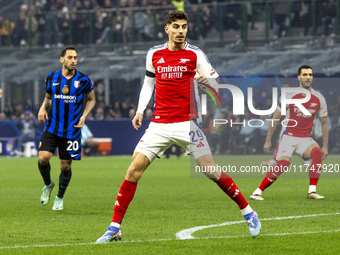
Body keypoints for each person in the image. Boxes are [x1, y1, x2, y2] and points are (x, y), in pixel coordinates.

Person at [96, 10, 261, 243]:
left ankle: (249, 212)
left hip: (187, 124)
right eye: (176, 26)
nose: (181, 31)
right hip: (159, 125)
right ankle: (114, 227)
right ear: (167, 29)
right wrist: (140, 110)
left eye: (184, 26)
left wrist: (208, 83)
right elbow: (148, 84)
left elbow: (217, 81)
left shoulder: (195, 54)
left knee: (211, 171)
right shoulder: (154, 53)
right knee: (133, 171)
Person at [250, 65, 328, 201]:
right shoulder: (290, 95)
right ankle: (257, 192)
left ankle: (312, 191)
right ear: (299, 77)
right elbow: (275, 117)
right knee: (283, 165)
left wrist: (325, 145)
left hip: (305, 139)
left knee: (317, 153)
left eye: (310, 75)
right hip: (289, 136)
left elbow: (324, 123)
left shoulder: (319, 98)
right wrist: (268, 140)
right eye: (304, 75)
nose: (308, 77)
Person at [37, 46, 96, 210]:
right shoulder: (51, 77)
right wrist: (43, 107)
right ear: (62, 59)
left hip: (72, 130)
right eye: (70, 57)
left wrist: (84, 115)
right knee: (43, 158)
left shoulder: (84, 80)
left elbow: (91, 100)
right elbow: (48, 97)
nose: (73, 61)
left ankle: (60, 197)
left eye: (75, 58)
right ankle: (48, 184)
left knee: (65, 166)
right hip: (52, 126)